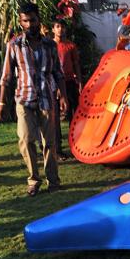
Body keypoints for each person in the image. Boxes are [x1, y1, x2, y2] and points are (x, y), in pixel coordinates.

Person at [0, 2, 68, 196]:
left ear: (39, 20)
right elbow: (7, 76)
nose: (29, 25)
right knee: (26, 139)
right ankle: (33, 180)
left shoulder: (49, 45)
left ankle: (53, 181)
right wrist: (2, 102)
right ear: (21, 22)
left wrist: (63, 97)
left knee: (50, 143)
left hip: (47, 98)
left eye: (33, 20)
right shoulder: (14, 45)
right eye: (25, 21)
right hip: (24, 99)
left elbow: (58, 73)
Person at [52, 19, 84, 161]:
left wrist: (80, 81)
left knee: (74, 115)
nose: (60, 29)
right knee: (55, 117)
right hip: (54, 84)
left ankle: (76, 145)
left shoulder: (70, 46)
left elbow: (76, 63)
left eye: (62, 27)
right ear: (53, 29)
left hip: (70, 82)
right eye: (58, 27)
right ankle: (57, 150)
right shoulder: (49, 45)